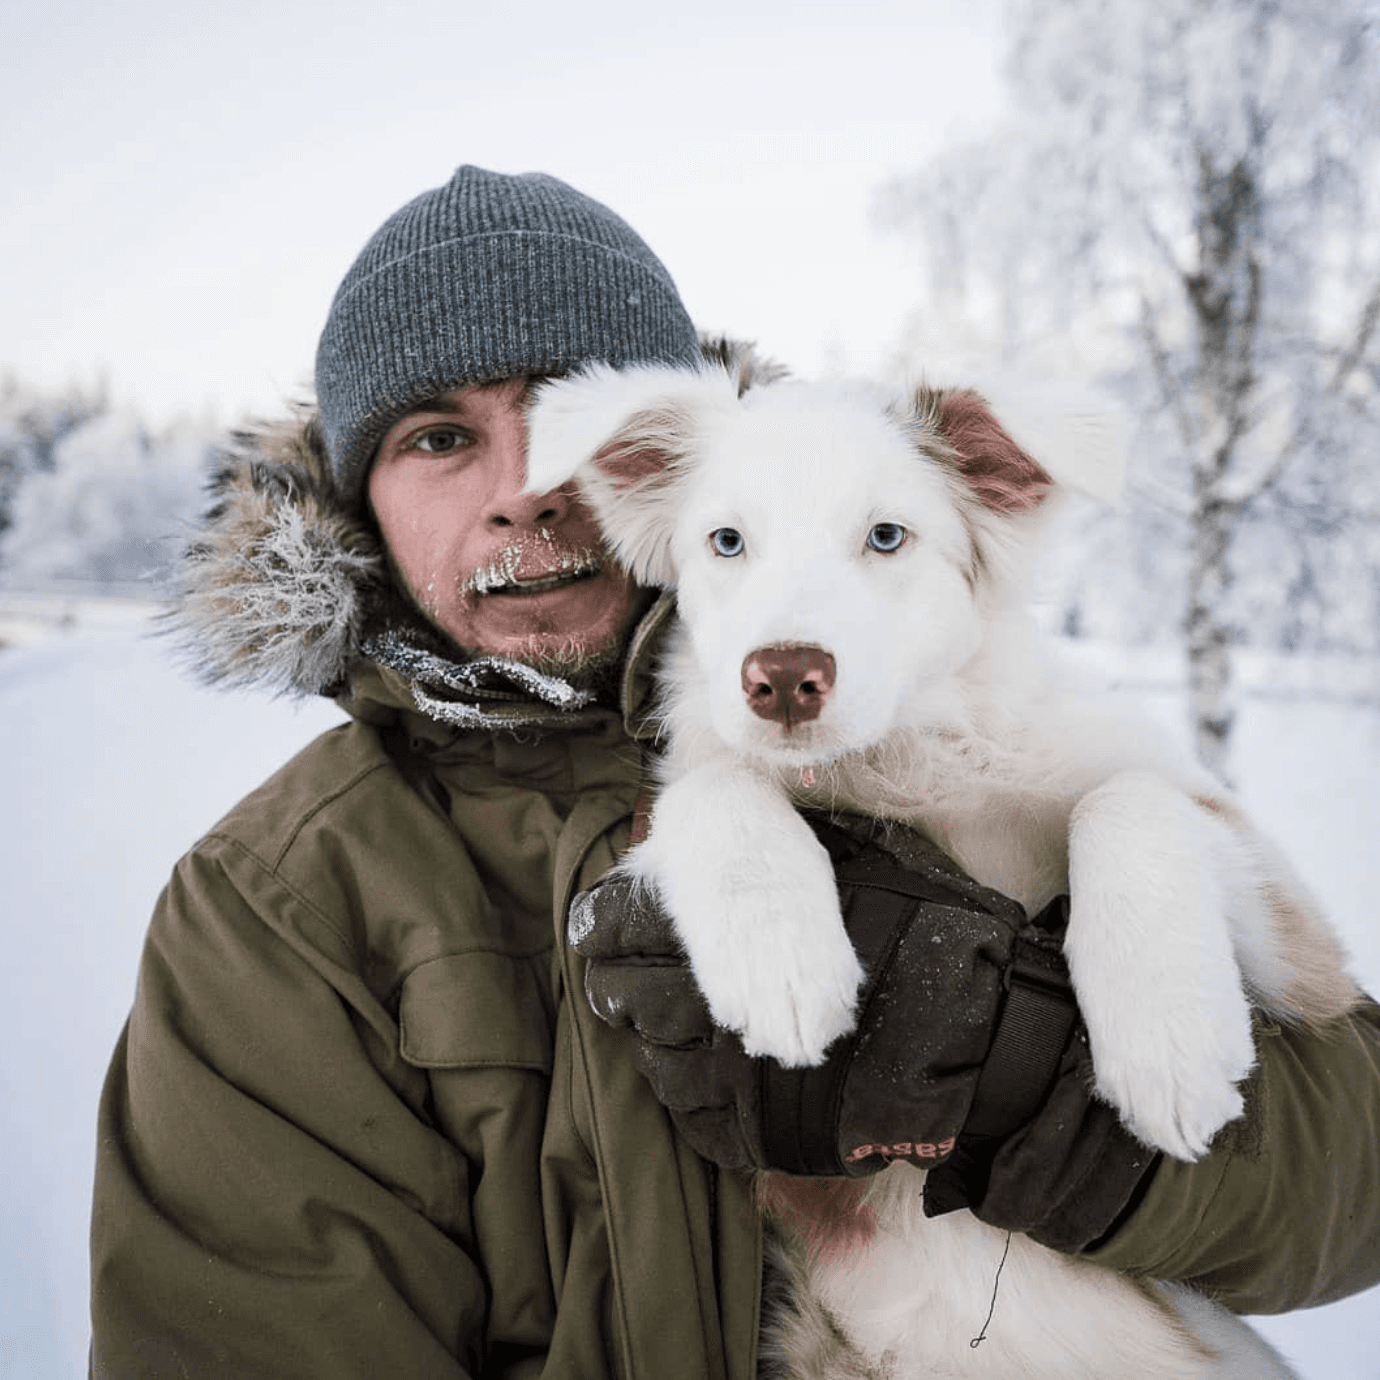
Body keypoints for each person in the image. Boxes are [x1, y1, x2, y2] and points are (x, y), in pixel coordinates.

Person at [89, 164, 1380, 1379]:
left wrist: (1057, 1110)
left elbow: (1357, 1186)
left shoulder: (964, 718)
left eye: (556, 424)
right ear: (356, 502)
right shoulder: (276, 905)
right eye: (437, 438)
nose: (525, 493)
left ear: (637, 461)